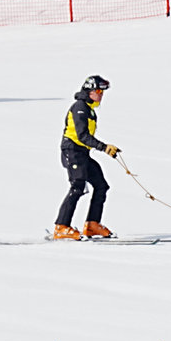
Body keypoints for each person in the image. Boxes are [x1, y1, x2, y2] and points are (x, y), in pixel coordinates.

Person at [53, 75, 120, 240]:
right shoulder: (80, 107)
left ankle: (92, 225)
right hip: (72, 151)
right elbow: (82, 136)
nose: (101, 95)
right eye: (98, 91)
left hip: (82, 153)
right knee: (77, 186)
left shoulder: (89, 109)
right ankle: (61, 227)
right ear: (89, 91)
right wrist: (104, 148)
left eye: (102, 92)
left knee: (101, 186)